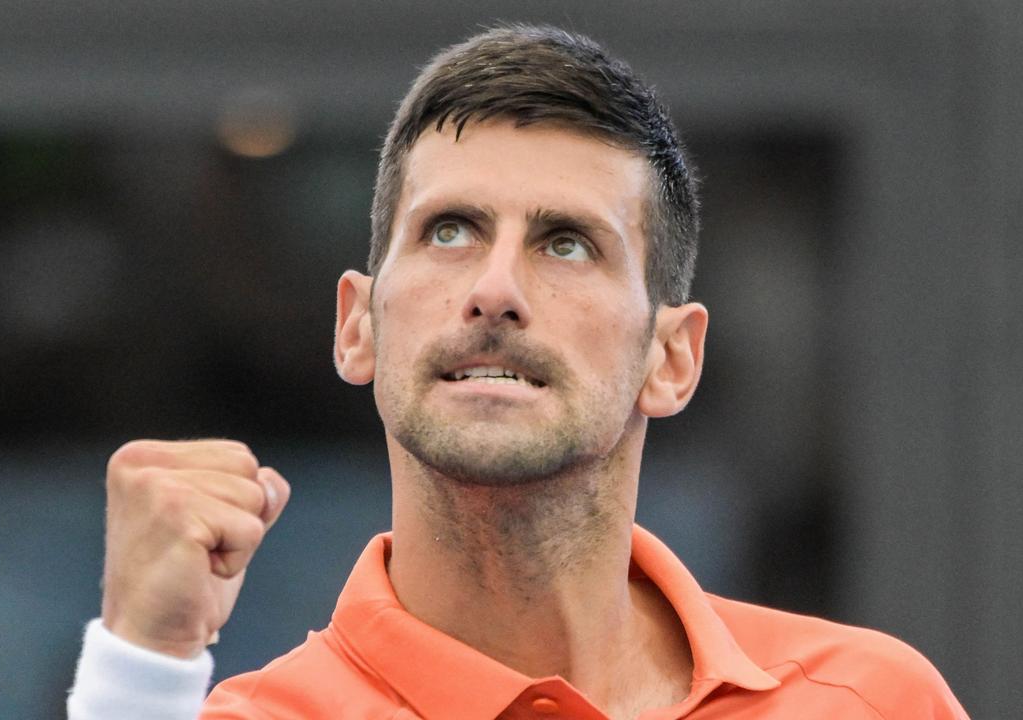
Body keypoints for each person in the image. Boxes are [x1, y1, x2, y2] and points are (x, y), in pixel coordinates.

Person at [67, 24, 969, 720]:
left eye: (566, 244)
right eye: (449, 231)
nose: (494, 290)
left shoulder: (872, 701)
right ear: (358, 326)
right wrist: (140, 669)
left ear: (672, 357)